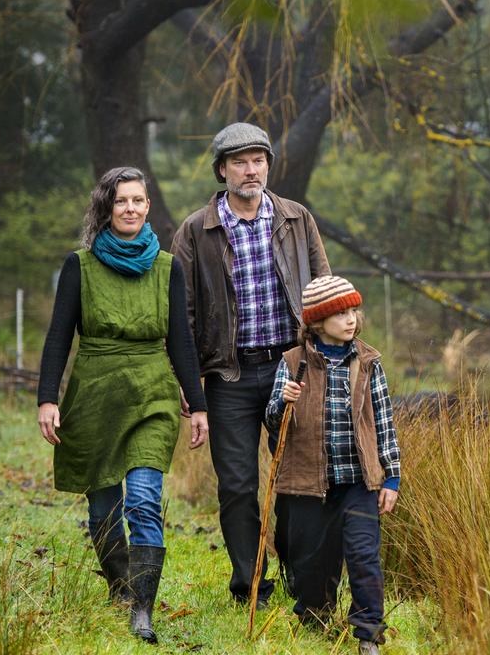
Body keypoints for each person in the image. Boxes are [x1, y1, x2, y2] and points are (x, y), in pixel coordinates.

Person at [37, 166, 210, 644]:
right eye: (121, 201)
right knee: (104, 511)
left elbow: (181, 340)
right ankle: (119, 585)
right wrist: (47, 398)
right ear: (107, 208)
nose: (130, 208)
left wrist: (198, 405)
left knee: (143, 500)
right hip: (94, 394)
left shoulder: (167, 267)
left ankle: (143, 608)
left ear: (148, 206)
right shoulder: (81, 265)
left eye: (138, 200)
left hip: (151, 394)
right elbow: (58, 338)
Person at [170, 122, 330, 607]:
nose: (250, 170)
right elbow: (182, 314)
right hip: (228, 376)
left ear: (267, 166)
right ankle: (251, 585)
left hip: (291, 369)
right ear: (222, 170)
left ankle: (301, 575)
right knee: (238, 486)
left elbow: (323, 288)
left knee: (299, 479)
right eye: (239, 162)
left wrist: (324, 357)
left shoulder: (296, 218)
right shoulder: (196, 231)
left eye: (258, 160)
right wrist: (188, 380)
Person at [265, 276, 400, 655]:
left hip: (359, 483)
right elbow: (274, 422)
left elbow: (384, 421)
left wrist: (392, 477)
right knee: (311, 563)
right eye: (340, 313)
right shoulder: (294, 363)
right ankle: (316, 615)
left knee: (363, 557)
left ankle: (368, 632)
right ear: (318, 321)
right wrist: (283, 402)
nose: (351, 319)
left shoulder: (369, 363)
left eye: (354, 311)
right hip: (309, 483)